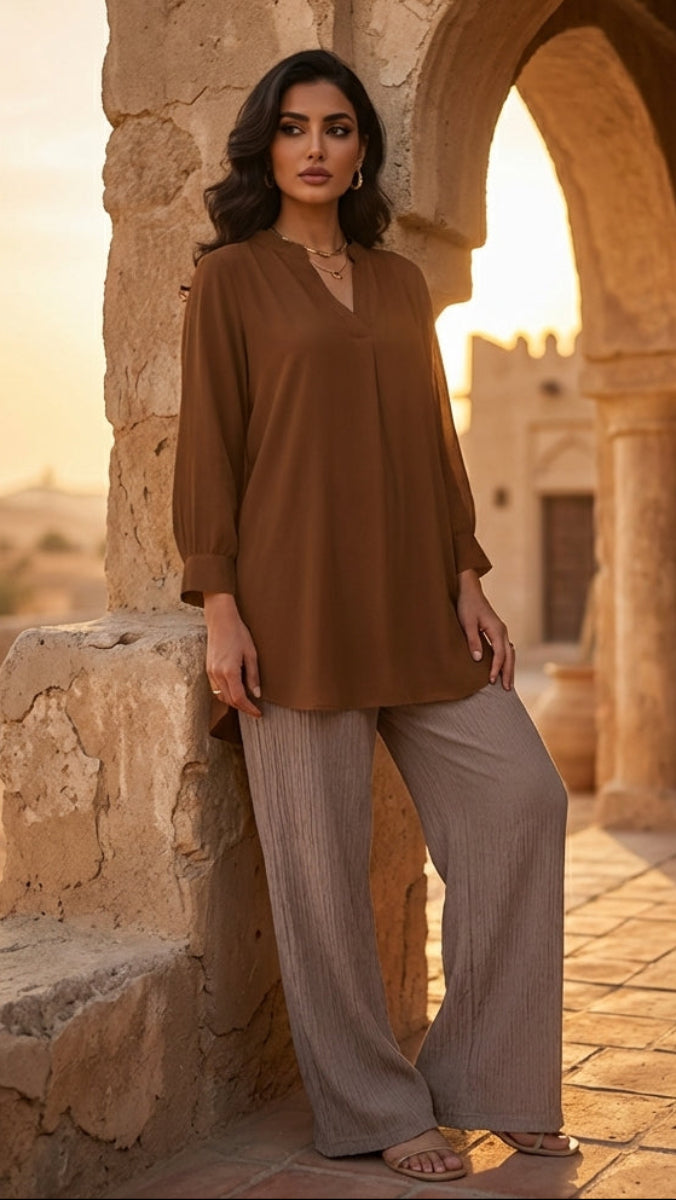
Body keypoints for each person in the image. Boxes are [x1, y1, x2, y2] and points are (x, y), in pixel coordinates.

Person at [172, 48, 579, 1182]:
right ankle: (371, 1109)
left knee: (521, 802)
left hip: (413, 600)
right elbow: (210, 448)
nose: (316, 147)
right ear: (268, 145)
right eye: (295, 127)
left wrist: (467, 575)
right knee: (319, 873)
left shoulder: (399, 284)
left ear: (362, 150)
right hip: (291, 609)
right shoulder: (233, 280)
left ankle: (491, 1079)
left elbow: (430, 439)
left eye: (338, 127)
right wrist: (221, 607)